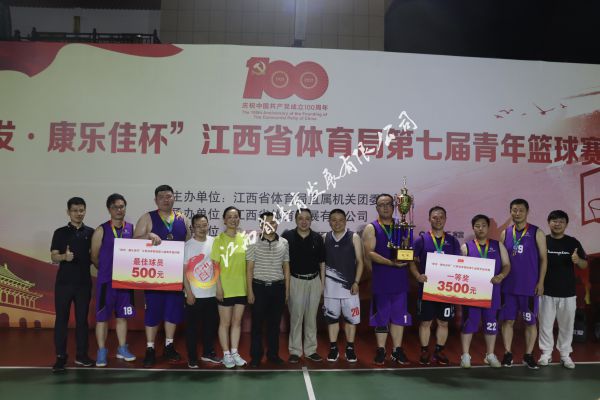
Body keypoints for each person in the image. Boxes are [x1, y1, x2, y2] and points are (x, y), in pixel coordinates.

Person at [134, 184, 191, 367]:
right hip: (154, 276)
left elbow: (190, 244)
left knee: (173, 312)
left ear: (174, 198)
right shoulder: (147, 218)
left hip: (176, 275)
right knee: (153, 312)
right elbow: (133, 242)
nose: (165, 200)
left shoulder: (183, 218)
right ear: (155, 200)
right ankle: (150, 348)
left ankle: (169, 346)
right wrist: (147, 236)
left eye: (169, 196)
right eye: (161, 197)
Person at [362, 194, 412, 366]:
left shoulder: (402, 226)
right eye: (381, 204)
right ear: (376, 208)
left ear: (394, 206)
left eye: (388, 204)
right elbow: (369, 253)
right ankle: (381, 349)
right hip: (382, 279)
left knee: (399, 317)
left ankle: (397, 350)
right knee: (381, 317)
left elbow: (407, 249)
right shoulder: (371, 228)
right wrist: (391, 263)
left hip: (400, 279)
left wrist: (406, 250)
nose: (385, 207)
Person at [409, 205, 461, 366]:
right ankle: (425, 351)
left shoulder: (453, 241)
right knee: (426, 322)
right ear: (429, 219)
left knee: (443, 322)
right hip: (427, 288)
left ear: (445, 219)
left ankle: (439, 351)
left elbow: (460, 263)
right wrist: (418, 275)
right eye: (434, 217)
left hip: (446, 289)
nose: (438, 220)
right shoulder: (422, 240)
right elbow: (411, 261)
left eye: (441, 217)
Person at [499, 198, 547, 369]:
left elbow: (544, 259)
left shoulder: (536, 232)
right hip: (508, 287)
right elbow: (500, 259)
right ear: (510, 212)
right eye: (514, 210)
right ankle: (507, 353)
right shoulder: (505, 233)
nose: (517, 213)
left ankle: (528, 355)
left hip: (529, 288)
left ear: (527, 212)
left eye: (521, 210)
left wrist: (541, 282)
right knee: (508, 321)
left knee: (530, 322)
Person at [90, 193, 136, 367]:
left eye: (122, 206)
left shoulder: (131, 229)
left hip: (125, 281)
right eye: (115, 207)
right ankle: (102, 351)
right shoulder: (101, 230)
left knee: (122, 316)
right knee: (102, 318)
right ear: (109, 209)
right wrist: (106, 270)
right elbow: (94, 257)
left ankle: (122, 348)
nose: (119, 210)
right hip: (106, 282)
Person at [459, 214, 511, 368]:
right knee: (469, 323)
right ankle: (465, 355)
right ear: (473, 228)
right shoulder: (466, 247)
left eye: (483, 226)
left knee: (491, 324)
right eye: (477, 226)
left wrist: (501, 276)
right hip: (472, 293)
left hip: (493, 292)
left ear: (488, 228)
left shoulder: (498, 246)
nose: (480, 229)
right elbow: (458, 269)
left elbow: (507, 265)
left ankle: (490, 355)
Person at [50, 197, 95, 372]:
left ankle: (82, 355)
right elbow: (54, 256)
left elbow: (96, 255)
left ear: (85, 211)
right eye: (75, 210)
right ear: (68, 212)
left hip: (84, 284)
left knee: (82, 321)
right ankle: (61, 357)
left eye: (81, 210)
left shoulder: (91, 233)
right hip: (64, 284)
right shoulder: (60, 232)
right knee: (61, 320)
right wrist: (64, 257)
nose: (78, 213)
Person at [538, 210, 587, 369]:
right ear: (549, 223)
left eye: (561, 221)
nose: (557, 224)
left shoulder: (573, 242)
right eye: (554, 221)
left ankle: (565, 355)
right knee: (545, 325)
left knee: (567, 326)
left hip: (568, 293)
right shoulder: (543, 241)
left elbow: (584, 264)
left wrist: (577, 260)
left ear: (566, 224)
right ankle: (546, 354)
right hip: (546, 292)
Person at [246, 212, 290, 367]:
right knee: (257, 325)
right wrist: (250, 291)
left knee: (274, 325)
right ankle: (256, 357)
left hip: (278, 288)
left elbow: (286, 267)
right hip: (259, 288)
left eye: (273, 222)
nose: (270, 225)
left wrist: (287, 291)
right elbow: (249, 268)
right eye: (267, 223)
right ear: (261, 225)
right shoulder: (252, 241)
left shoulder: (284, 242)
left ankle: (273, 355)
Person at [281, 208, 325, 363]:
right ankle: (295, 351)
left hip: (314, 281)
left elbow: (322, 262)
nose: (304, 221)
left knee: (311, 317)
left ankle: (311, 350)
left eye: (307, 218)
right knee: (296, 316)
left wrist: (322, 284)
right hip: (295, 280)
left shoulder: (317, 238)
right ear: (295, 220)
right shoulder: (287, 237)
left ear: (311, 220)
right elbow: (283, 262)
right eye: (300, 218)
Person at [323, 209, 364, 363]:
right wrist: (322, 284)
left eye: (340, 220)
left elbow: (360, 261)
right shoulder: (325, 237)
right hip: (330, 288)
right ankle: (333, 348)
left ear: (346, 221)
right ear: (329, 222)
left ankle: (350, 349)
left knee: (350, 320)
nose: (337, 223)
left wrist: (356, 282)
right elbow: (322, 263)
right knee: (332, 320)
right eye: (333, 220)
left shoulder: (354, 237)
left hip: (350, 288)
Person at [211, 206, 248, 368]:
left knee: (237, 322)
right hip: (225, 288)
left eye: (236, 216)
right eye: (230, 217)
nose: (233, 219)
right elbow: (215, 266)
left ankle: (235, 352)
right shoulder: (218, 240)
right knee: (225, 323)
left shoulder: (244, 239)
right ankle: (226, 354)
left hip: (241, 288)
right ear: (224, 220)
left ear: (239, 219)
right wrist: (218, 287)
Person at [183, 214, 220, 368]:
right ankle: (192, 357)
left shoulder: (214, 242)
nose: (202, 228)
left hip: (211, 293)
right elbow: (184, 272)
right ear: (192, 228)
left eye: (204, 225)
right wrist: (189, 293)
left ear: (208, 226)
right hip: (194, 294)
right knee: (192, 329)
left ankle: (208, 353)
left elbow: (217, 267)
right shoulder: (188, 246)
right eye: (198, 226)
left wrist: (219, 289)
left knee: (210, 326)